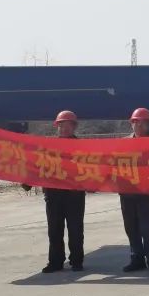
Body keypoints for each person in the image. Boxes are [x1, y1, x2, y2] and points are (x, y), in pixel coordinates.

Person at [27, 110, 87, 273]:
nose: (64, 128)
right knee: (54, 230)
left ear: (74, 127)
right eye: (61, 125)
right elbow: (37, 165)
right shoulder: (48, 147)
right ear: (57, 127)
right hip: (53, 195)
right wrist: (27, 181)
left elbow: (91, 167)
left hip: (74, 196)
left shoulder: (82, 148)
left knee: (75, 229)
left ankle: (76, 261)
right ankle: (55, 261)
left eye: (67, 125)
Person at [120, 107, 149, 274]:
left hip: (147, 193)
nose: (139, 126)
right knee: (131, 228)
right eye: (136, 122)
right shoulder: (122, 144)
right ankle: (137, 259)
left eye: (143, 123)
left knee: (148, 228)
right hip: (127, 193)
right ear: (131, 123)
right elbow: (112, 166)